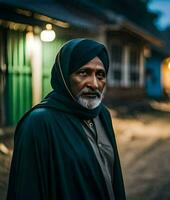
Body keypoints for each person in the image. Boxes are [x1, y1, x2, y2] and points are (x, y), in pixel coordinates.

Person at [7, 38, 126, 200]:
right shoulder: (39, 122)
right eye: (83, 72)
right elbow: (27, 189)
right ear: (64, 76)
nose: (94, 84)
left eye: (100, 75)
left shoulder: (102, 114)